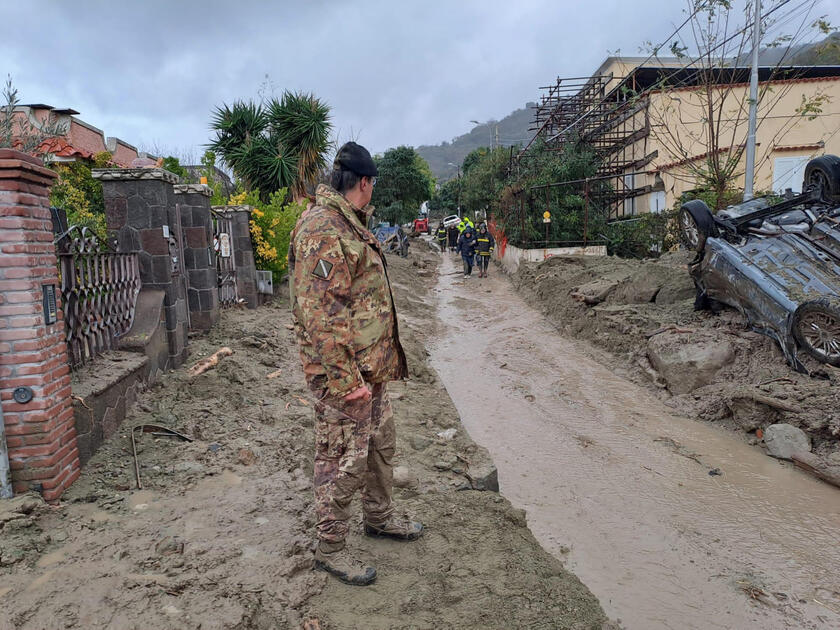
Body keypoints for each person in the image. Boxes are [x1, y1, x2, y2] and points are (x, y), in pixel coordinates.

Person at [288, 141, 423, 587]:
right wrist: (347, 382)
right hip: (342, 379)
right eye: (373, 186)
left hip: (369, 371)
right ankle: (330, 546)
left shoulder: (349, 224)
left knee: (381, 445)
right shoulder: (324, 229)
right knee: (342, 458)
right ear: (364, 183)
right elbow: (322, 317)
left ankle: (379, 518)